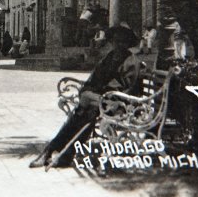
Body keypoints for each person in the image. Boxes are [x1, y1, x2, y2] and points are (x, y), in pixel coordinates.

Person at [29, 26, 141, 168]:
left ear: (127, 43)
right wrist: (89, 91)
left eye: (122, 42)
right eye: (115, 41)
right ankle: (54, 152)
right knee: (82, 113)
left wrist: (97, 96)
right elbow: (96, 77)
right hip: (104, 101)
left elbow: (127, 90)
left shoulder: (131, 62)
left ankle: (59, 153)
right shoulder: (110, 57)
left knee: (86, 113)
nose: (118, 45)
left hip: (120, 105)